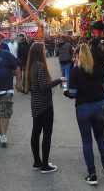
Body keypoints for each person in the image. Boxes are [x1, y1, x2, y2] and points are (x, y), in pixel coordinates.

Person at [64, 43, 104, 186]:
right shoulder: (98, 68)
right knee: (100, 136)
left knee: (87, 141)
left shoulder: (75, 71)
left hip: (83, 107)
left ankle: (92, 174)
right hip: (99, 106)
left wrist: (65, 93)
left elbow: (73, 93)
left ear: (77, 55)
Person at [26, 42, 65, 174]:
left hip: (35, 103)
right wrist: (59, 80)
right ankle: (45, 165)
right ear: (38, 51)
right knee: (47, 134)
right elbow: (43, 86)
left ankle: (37, 162)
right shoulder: (41, 66)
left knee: (36, 133)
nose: (45, 50)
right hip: (45, 104)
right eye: (43, 49)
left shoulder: (31, 65)